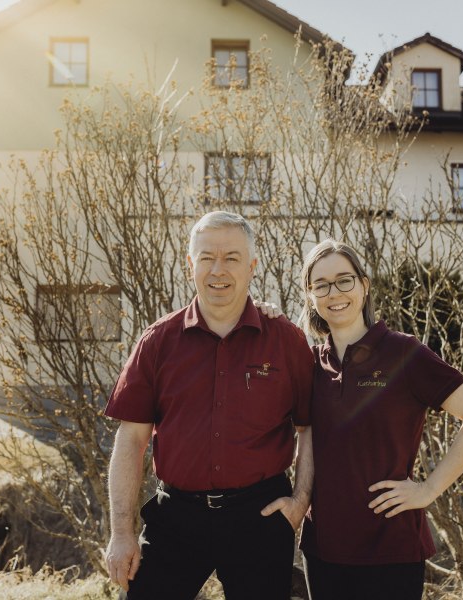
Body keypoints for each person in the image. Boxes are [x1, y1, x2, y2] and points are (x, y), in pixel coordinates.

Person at [103, 211, 314, 600]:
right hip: (176, 517)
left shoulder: (286, 341)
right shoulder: (157, 342)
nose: (219, 270)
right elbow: (130, 440)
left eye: (232, 258)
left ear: (251, 266)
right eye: (207, 257)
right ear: (190, 265)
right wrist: (121, 532)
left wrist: (300, 500)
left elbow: (309, 427)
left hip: (261, 516)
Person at [297, 239, 463, 600]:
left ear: (364, 285)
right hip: (323, 549)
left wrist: (428, 489)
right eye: (321, 284)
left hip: (390, 549)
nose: (334, 292)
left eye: (345, 280)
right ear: (310, 295)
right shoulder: (310, 363)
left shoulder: (404, 353)